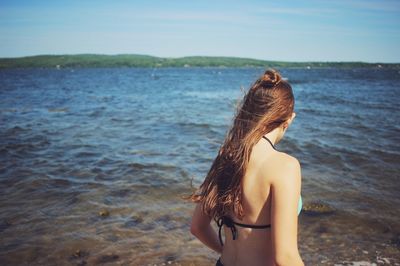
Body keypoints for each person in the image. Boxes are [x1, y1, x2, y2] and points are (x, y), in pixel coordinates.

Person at [186, 69, 304, 266]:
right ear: (289, 118)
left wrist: (226, 251)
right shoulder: (286, 166)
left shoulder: (227, 155)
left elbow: (197, 228)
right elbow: (285, 258)